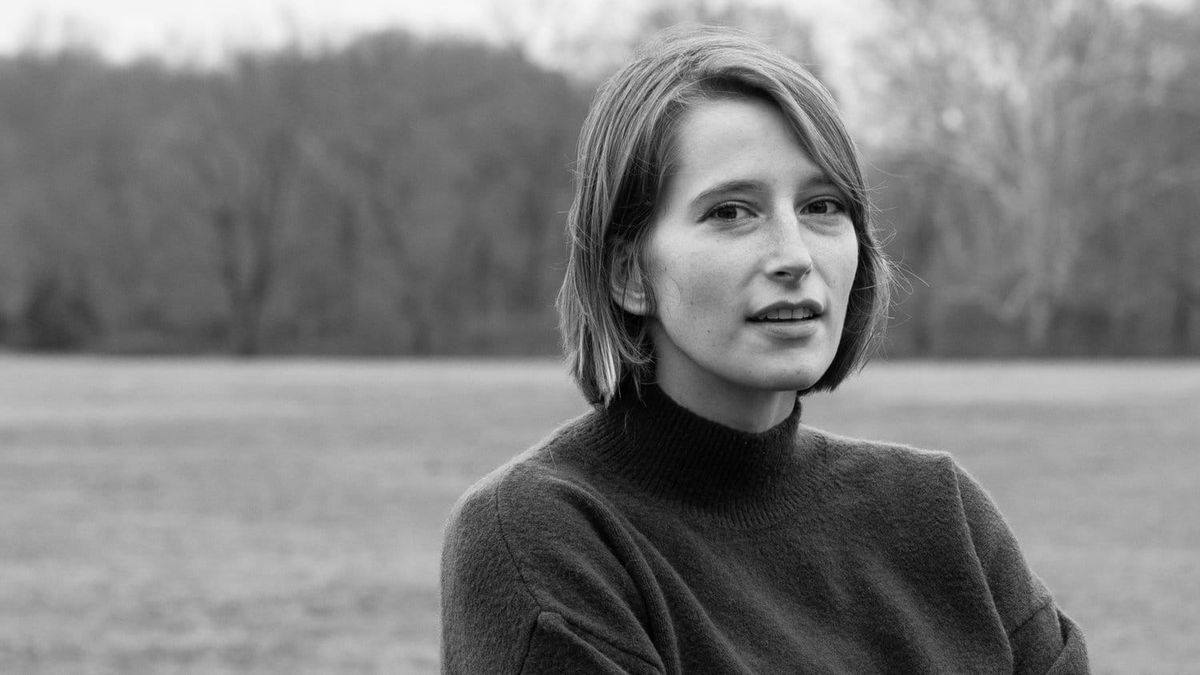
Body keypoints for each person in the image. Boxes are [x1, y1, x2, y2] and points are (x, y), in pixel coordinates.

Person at [441, 26, 1088, 673]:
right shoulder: (543, 535)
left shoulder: (943, 516)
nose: (794, 256)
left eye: (822, 206)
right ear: (629, 273)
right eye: (730, 212)